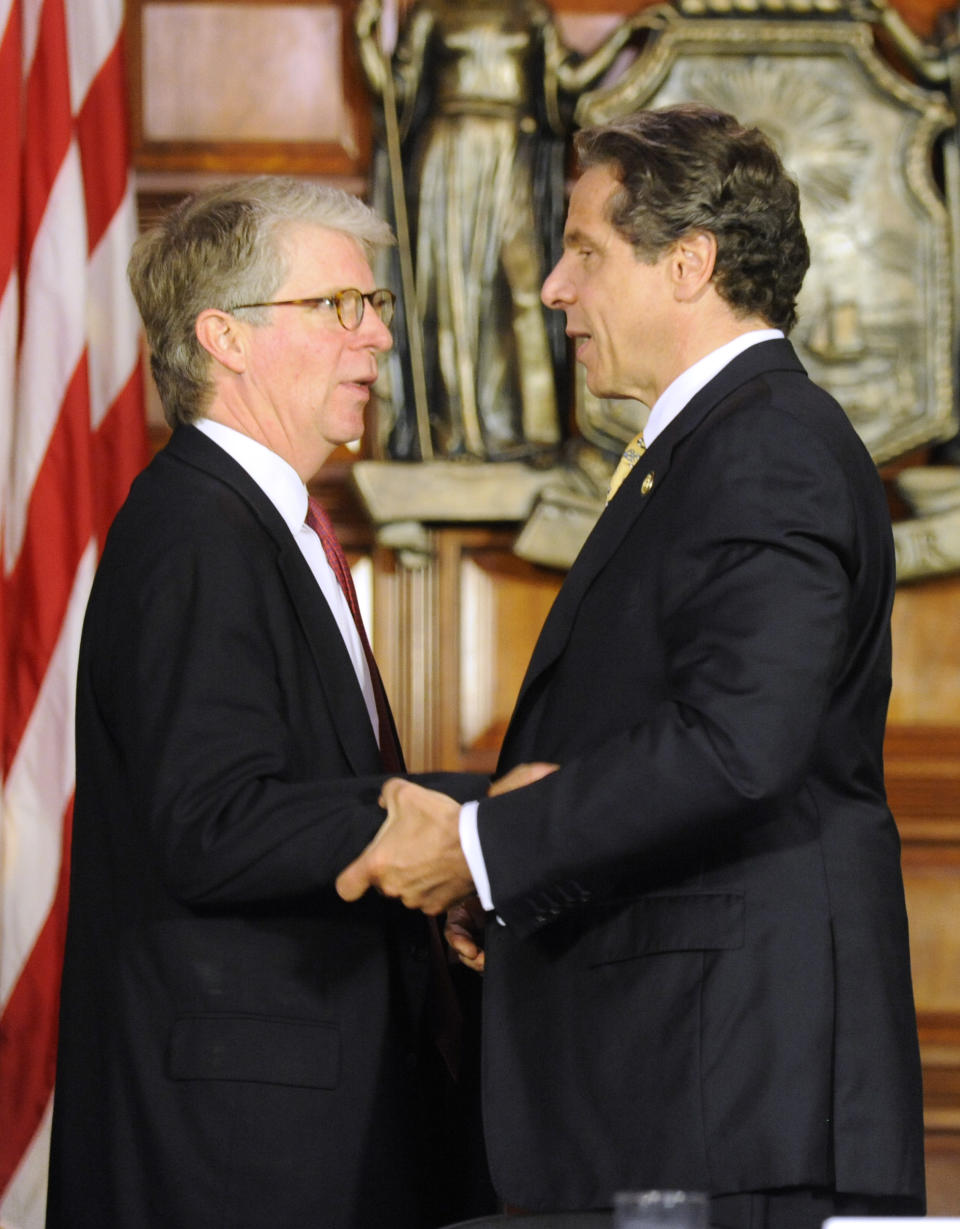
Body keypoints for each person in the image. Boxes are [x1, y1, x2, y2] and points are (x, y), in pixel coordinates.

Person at [336, 103, 927, 1225]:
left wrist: (482, 845)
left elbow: (735, 743)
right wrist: (521, 863)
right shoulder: (712, 446)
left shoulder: (767, 446)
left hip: (723, 1097)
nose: (554, 287)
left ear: (689, 263)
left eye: (587, 252)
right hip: (674, 1090)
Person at [46, 177, 490, 1229]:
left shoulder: (257, 521)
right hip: (240, 1149)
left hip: (311, 1122)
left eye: (374, 306)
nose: (378, 335)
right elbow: (215, 822)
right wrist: (468, 819)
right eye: (340, 306)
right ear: (223, 336)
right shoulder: (197, 530)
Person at [355, 0, 640, 460]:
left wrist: (628, 38)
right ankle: (454, 430)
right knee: (451, 295)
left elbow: (566, 83)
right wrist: (364, 36)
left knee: (524, 287)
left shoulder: (530, 13)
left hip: (512, 156)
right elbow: (395, 91)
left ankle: (533, 429)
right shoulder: (432, 12)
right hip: (448, 157)